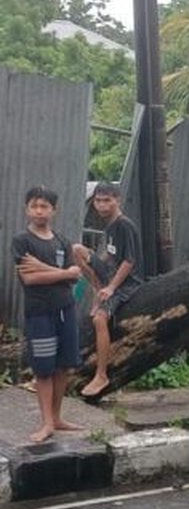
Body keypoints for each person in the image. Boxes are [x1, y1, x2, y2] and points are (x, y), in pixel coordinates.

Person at [11, 186, 85, 442]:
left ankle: (56, 417)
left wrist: (54, 272)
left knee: (63, 366)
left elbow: (77, 276)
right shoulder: (22, 241)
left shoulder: (62, 241)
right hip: (39, 313)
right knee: (43, 369)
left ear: (55, 210)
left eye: (44, 206)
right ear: (27, 209)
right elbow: (30, 279)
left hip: (65, 310)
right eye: (34, 206)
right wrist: (64, 274)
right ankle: (45, 423)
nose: (39, 211)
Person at [73, 182, 144, 399]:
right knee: (77, 249)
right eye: (98, 201)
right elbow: (111, 256)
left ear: (117, 200)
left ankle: (101, 374)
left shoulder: (124, 225)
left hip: (127, 282)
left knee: (99, 319)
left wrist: (112, 288)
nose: (102, 205)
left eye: (107, 200)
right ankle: (98, 290)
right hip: (108, 276)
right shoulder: (110, 225)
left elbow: (129, 262)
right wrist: (95, 263)